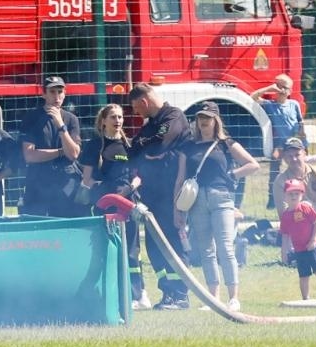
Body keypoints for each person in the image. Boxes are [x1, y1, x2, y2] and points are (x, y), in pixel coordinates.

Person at [173, 102, 257, 311]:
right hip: (196, 199)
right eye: (201, 117)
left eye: (208, 117)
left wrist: (232, 175)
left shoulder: (226, 143)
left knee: (225, 247)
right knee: (206, 250)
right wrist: (177, 209)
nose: (203, 121)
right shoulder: (188, 147)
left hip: (221, 197)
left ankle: (233, 297)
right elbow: (180, 178)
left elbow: (252, 164)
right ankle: (213, 298)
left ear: (215, 120)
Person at [129, 83, 190, 309]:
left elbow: (159, 144)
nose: (137, 114)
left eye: (137, 108)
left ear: (144, 102)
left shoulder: (173, 117)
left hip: (170, 196)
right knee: (155, 247)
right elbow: (135, 148)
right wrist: (145, 146)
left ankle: (181, 294)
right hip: (152, 196)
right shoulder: (151, 125)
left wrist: (146, 147)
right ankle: (167, 293)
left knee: (173, 243)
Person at [80, 102, 145, 306]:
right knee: (106, 247)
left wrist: (130, 188)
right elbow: (87, 179)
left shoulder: (129, 145)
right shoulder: (94, 145)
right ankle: (107, 292)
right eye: (113, 117)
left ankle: (136, 293)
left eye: (120, 117)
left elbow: (138, 176)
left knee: (132, 248)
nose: (117, 121)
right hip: (105, 204)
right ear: (103, 121)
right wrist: (105, 191)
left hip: (129, 202)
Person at [19, 76, 83, 216]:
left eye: (60, 92)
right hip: (38, 184)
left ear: (65, 94)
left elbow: (73, 154)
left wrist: (61, 125)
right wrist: (61, 152)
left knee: (65, 230)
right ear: (44, 94)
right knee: (36, 230)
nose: (57, 96)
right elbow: (30, 155)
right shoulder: (31, 118)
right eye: (52, 92)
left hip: (65, 184)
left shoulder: (71, 119)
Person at [249, 74, 304, 208]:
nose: (281, 90)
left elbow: (300, 124)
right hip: (279, 143)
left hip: (293, 141)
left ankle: (299, 194)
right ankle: (272, 198)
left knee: (298, 167)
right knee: (275, 165)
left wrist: (303, 143)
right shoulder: (270, 105)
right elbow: (252, 97)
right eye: (278, 86)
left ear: (290, 91)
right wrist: (269, 88)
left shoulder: (294, 104)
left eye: (284, 87)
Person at [279, 178, 316, 304]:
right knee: (303, 275)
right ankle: (305, 299)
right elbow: (285, 235)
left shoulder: (304, 208)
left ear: (301, 195)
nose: (293, 196)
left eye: (296, 194)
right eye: (290, 194)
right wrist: (284, 252)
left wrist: (314, 240)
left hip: (314, 246)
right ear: (285, 196)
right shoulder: (285, 216)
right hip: (299, 249)